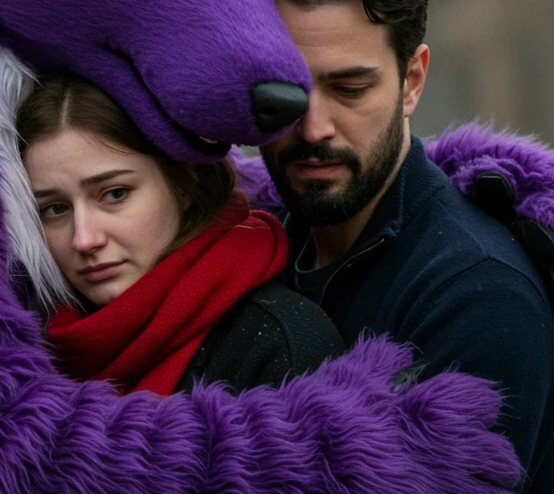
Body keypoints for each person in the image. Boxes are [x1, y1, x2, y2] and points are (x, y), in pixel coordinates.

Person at [257, 0, 554, 494]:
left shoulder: (480, 297)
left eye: (350, 89)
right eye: (286, 88)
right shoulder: (257, 245)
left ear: (412, 81)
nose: (313, 126)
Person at [17, 75, 346, 396]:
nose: (84, 240)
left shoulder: (281, 344)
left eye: (114, 194)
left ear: (185, 183)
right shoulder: (20, 351)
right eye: (55, 209)